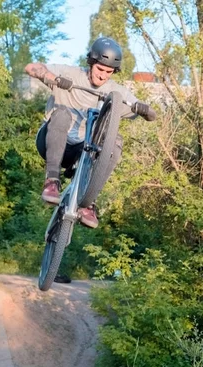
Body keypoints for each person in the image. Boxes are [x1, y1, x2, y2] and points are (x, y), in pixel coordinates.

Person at [24, 37, 155, 230]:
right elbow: (31, 68)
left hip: (83, 152)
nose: (102, 76)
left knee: (115, 142)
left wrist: (145, 110)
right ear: (91, 63)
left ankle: (88, 202)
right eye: (99, 69)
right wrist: (55, 80)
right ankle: (52, 181)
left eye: (108, 72)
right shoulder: (71, 74)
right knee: (61, 114)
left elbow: (152, 114)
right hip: (53, 141)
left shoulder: (116, 92)